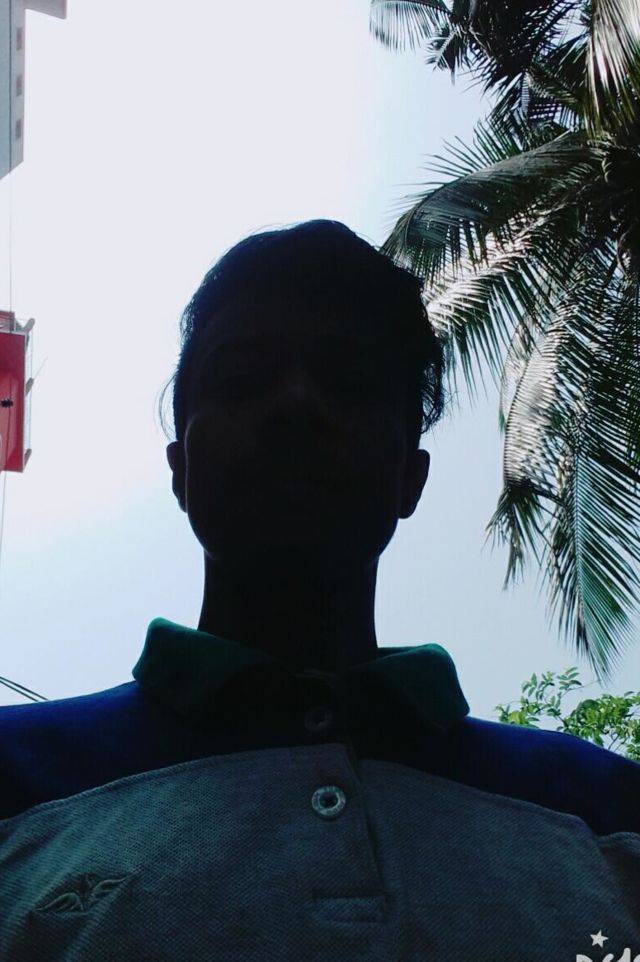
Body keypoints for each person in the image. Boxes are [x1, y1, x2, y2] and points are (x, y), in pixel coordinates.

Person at [0, 220, 638, 961]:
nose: (297, 404)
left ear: (410, 478)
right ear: (181, 471)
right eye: (242, 380)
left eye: (352, 384)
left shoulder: (607, 809)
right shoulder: (15, 776)